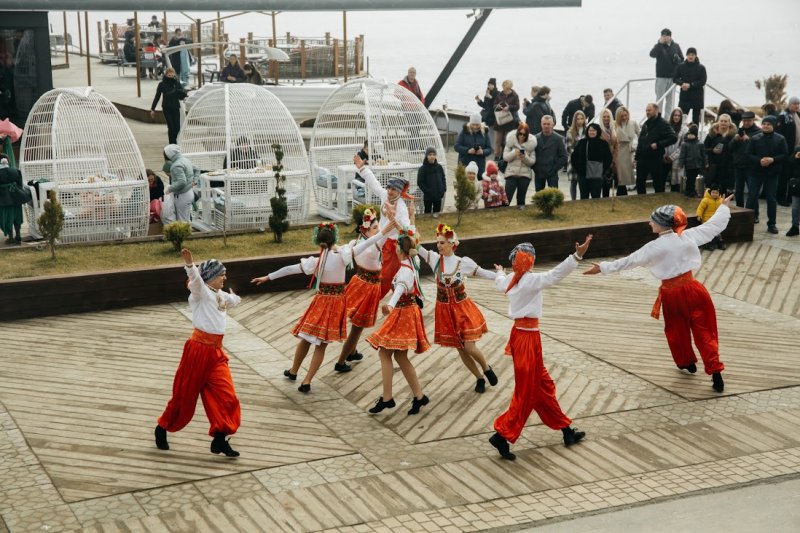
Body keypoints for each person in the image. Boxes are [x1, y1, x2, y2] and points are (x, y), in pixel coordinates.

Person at [584, 200, 733, 394]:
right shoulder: (687, 236)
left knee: (676, 330)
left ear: (663, 224)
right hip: (695, 289)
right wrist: (723, 207)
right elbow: (713, 227)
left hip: (673, 295)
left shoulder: (654, 247)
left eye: (652, 221)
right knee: (705, 330)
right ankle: (716, 373)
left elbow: (628, 261)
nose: (649, 224)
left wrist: (602, 268)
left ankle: (686, 362)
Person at [251, 221, 395, 392]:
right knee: (321, 344)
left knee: (306, 338)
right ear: (335, 238)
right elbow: (367, 243)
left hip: (320, 302)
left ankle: (293, 370)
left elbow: (290, 269)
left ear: (318, 242)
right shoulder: (343, 255)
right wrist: (384, 231)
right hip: (335, 303)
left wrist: (268, 277)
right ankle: (307, 381)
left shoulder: (316, 262)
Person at [489, 236, 593, 461]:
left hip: (525, 337)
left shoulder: (511, 279)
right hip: (527, 340)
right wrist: (577, 255)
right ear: (530, 261)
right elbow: (555, 275)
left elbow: (499, 280)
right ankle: (502, 435)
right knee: (526, 392)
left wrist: (499, 271)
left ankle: (566, 431)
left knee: (542, 387)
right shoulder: (528, 281)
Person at [155, 249, 242, 457]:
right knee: (184, 395)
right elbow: (195, 281)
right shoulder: (201, 293)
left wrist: (235, 296)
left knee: (227, 396)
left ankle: (219, 439)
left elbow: (233, 300)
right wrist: (190, 265)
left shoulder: (220, 295)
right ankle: (162, 428)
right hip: (197, 351)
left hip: (216, 354)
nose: (225, 277)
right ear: (211, 277)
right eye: (222, 274)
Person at [417, 224, 499, 393]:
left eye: (442, 243)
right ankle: (479, 378)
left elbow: (483, 273)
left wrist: (501, 276)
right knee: (460, 348)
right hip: (445, 311)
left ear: (452, 244)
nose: (438, 246)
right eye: (437, 242)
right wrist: (404, 222)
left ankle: (486, 367)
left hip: (463, 308)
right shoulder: (433, 259)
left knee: (469, 347)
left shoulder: (463, 263)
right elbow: (415, 245)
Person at [366, 226, 430, 416]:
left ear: (399, 250)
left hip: (403, 313)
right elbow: (411, 238)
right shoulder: (414, 261)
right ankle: (418, 396)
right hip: (407, 312)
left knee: (385, 353)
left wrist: (390, 306)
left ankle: (388, 398)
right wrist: (409, 220)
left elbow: (401, 288)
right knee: (399, 356)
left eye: (396, 247)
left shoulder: (405, 270)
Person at [332, 208, 384, 371]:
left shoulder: (356, 242)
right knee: (356, 328)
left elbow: (340, 249)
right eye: (375, 228)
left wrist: (332, 245)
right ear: (366, 230)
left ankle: (352, 352)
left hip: (357, 282)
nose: (378, 230)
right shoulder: (373, 248)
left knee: (355, 323)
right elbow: (385, 234)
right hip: (367, 289)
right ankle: (341, 362)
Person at [354, 154, 411, 298]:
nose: (390, 191)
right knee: (375, 269)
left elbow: (406, 230)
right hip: (379, 238)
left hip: (392, 245)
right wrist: (362, 168)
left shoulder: (402, 208)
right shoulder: (385, 195)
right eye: (389, 188)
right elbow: (374, 184)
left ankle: (374, 298)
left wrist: (394, 219)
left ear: (399, 191)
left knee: (386, 275)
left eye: (394, 189)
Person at [746, 115, 789, 233]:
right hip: (755, 172)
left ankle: (772, 224)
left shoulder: (780, 139)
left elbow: (785, 155)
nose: (765, 126)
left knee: (771, 198)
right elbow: (748, 154)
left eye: (768, 124)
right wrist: (759, 160)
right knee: (751, 197)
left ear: (773, 126)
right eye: (764, 123)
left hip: (772, 172)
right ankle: (747, 222)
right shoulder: (755, 138)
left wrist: (772, 160)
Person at [635, 103, 678, 194]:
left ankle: (659, 199)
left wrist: (658, 144)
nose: (647, 112)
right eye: (646, 110)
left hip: (655, 158)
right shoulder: (646, 124)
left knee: (658, 182)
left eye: (649, 110)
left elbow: (673, 137)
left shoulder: (663, 124)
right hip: (642, 158)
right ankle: (641, 199)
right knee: (639, 181)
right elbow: (640, 141)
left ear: (656, 111)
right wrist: (636, 157)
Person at [571, 123, 613, 199]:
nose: (591, 132)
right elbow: (574, 157)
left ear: (598, 131)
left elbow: (609, 158)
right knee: (584, 196)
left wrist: (603, 169)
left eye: (594, 130)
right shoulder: (582, 142)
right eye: (590, 130)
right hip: (583, 175)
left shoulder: (603, 143)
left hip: (597, 175)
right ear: (587, 131)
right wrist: (578, 169)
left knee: (596, 197)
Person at [729, 111, 761, 207]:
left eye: (748, 121)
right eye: (744, 121)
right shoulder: (739, 131)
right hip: (739, 166)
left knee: (752, 193)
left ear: (753, 120)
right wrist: (735, 139)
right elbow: (729, 148)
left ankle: (753, 214)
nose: (746, 123)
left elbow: (760, 149)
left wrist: (749, 140)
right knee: (738, 191)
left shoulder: (758, 132)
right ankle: (740, 212)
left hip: (751, 167)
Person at [650, 28, 683, 115]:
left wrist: (678, 60)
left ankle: (667, 119)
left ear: (670, 37)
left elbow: (682, 60)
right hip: (661, 77)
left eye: (666, 36)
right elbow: (652, 54)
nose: (664, 38)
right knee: (659, 99)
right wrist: (659, 44)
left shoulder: (676, 46)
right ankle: (658, 117)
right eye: (663, 36)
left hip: (672, 77)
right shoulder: (658, 46)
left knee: (670, 100)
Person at [503, 122, 537, 208]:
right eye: (520, 133)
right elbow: (505, 157)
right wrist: (514, 153)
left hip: (525, 175)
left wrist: (524, 157)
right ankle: (502, 214)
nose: (522, 136)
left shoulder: (531, 145)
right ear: (517, 133)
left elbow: (532, 162)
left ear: (527, 135)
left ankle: (521, 215)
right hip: (511, 173)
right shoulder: (510, 142)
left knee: (521, 199)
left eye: (524, 134)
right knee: (507, 198)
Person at [150, 67, 186, 145]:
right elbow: (157, 97)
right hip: (166, 108)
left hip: (176, 107)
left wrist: (182, 93)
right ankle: (172, 144)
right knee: (171, 127)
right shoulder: (162, 84)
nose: (171, 77)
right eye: (169, 75)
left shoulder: (176, 83)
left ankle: (174, 142)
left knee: (177, 127)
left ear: (174, 75)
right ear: (166, 75)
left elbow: (182, 94)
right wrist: (152, 109)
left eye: (172, 76)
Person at [163, 144, 198, 222]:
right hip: (189, 192)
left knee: (182, 220)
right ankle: (188, 233)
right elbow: (197, 169)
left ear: (169, 155)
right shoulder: (185, 160)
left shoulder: (176, 165)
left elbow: (182, 182)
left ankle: (184, 234)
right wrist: (195, 181)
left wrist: (170, 188)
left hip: (182, 195)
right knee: (186, 219)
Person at [673, 47, 707, 126]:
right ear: (686, 55)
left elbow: (703, 81)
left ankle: (694, 136)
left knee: (695, 121)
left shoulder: (701, 67)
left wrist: (690, 85)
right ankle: (679, 136)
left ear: (695, 56)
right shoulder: (681, 66)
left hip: (697, 96)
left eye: (692, 55)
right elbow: (675, 78)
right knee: (681, 119)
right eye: (689, 55)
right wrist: (682, 84)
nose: (690, 56)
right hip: (685, 96)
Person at [533, 116, 568, 191]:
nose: (546, 126)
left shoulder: (559, 139)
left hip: (552, 172)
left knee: (553, 196)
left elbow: (564, 156)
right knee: (539, 196)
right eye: (544, 124)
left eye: (548, 124)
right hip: (539, 172)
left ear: (553, 125)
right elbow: (531, 154)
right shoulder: (535, 138)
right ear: (541, 124)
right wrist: (535, 167)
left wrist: (555, 168)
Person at [776, 96, 800, 206]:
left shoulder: (797, 115)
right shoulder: (783, 116)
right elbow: (779, 134)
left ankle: (790, 197)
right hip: (787, 150)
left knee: (793, 174)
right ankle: (780, 198)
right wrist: (783, 150)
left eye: (798, 104)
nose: (796, 106)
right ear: (789, 104)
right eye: (794, 103)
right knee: (783, 175)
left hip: (796, 150)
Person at [704, 114, 736, 194]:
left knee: (724, 191)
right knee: (712, 190)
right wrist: (712, 150)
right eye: (721, 121)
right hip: (714, 166)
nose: (723, 123)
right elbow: (703, 149)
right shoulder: (711, 134)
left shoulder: (733, 136)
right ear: (718, 122)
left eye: (725, 121)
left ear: (729, 123)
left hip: (728, 167)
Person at [454, 113, 492, 179]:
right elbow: (457, 146)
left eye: (477, 124)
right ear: (470, 123)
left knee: (478, 187)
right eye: (473, 124)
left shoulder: (485, 132)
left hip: (479, 166)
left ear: (480, 124)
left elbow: (489, 149)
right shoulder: (464, 131)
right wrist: (467, 150)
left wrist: (482, 152)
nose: (475, 127)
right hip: (464, 164)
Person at [614, 106, 640, 197]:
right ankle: (621, 192)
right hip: (619, 152)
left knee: (627, 174)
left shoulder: (633, 123)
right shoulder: (615, 124)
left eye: (626, 115)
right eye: (622, 116)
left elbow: (641, 136)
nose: (624, 117)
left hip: (630, 151)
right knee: (620, 174)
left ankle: (622, 192)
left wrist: (635, 145)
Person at [0, 153, 25, 244]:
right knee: (17, 217)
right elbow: (20, 185)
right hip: (16, 198)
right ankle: (18, 236)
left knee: (7, 218)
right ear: (7, 161)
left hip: (4, 201)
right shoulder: (16, 171)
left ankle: (10, 238)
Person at [492, 80, 521, 158]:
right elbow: (494, 105)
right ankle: (496, 156)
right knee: (498, 140)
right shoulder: (499, 94)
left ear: (510, 87)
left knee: (507, 140)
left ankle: (504, 156)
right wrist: (498, 106)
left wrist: (509, 107)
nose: (504, 89)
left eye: (505, 87)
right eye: (503, 87)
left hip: (509, 121)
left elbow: (517, 107)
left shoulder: (515, 95)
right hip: (499, 120)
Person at [417, 147, 446, 217]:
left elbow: (443, 179)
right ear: (426, 156)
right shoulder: (422, 169)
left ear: (436, 156)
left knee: (437, 214)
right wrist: (428, 191)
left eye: (433, 154)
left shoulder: (439, 167)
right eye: (430, 154)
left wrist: (443, 189)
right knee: (427, 214)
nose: (432, 156)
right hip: (428, 196)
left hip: (438, 195)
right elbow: (420, 182)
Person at [664, 108, 688, 193]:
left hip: (677, 158)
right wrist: (665, 155)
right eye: (675, 115)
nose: (676, 117)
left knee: (676, 181)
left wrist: (672, 157)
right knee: (663, 178)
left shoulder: (684, 129)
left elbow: (682, 146)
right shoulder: (666, 126)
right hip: (665, 156)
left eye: (678, 115)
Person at [679, 125, 707, 198]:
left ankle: (691, 190)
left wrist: (705, 163)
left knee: (693, 178)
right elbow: (682, 155)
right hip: (689, 164)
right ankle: (689, 190)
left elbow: (703, 154)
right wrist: (681, 164)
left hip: (697, 164)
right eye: (690, 134)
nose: (690, 136)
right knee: (689, 178)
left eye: (692, 134)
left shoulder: (700, 144)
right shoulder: (685, 144)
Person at [565, 110, 587, 201]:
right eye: (578, 119)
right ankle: (573, 200)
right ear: (575, 120)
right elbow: (569, 148)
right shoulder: (570, 132)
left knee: (584, 182)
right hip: (573, 160)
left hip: (585, 161)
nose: (580, 121)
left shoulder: (587, 130)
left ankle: (584, 199)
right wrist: (578, 155)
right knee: (573, 182)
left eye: (582, 118)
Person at [696, 185, 725, 250]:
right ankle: (708, 244)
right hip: (707, 220)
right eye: (713, 192)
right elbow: (700, 208)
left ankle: (720, 243)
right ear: (710, 192)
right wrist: (699, 215)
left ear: (719, 193)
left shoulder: (720, 201)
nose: (715, 194)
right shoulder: (705, 200)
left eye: (716, 193)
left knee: (718, 233)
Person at [597, 108, 617, 197]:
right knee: (598, 184)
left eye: (608, 117)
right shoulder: (598, 129)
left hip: (611, 160)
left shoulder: (614, 128)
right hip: (600, 161)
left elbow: (616, 145)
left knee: (607, 184)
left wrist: (614, 159)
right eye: (604, 117)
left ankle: (606, 200)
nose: (606, 118)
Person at [787, 147, 800, 237]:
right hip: (797, 183)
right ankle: (795, 226)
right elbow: (789, 161)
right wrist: (795, 157)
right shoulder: (798, 149)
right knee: (795, 207)